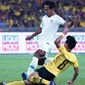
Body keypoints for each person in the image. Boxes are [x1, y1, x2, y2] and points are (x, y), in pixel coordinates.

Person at [0, 31, 79, 85]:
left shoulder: (63, 50)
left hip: (46, 70)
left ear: (66, 45)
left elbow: (56, 42)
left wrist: (64, 33)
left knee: (30, 77)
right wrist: (72, 81)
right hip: (53, 75)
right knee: (27, 83)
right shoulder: (74, 58)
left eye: (65, 42)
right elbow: (76, 72)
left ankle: (49, 83)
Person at [22, 0, 74, 80]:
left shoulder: (57, 18)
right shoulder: (44, 18)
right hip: (42, 42)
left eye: (47, 9)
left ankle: (28, 74)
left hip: (49, 43)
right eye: (44, 9)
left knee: (37, 54)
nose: (45, 11)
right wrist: (31, 36)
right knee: (40, 61)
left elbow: (66, 26)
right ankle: (55, 61)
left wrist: (62, 35)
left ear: (52, 9)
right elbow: (40, 29)